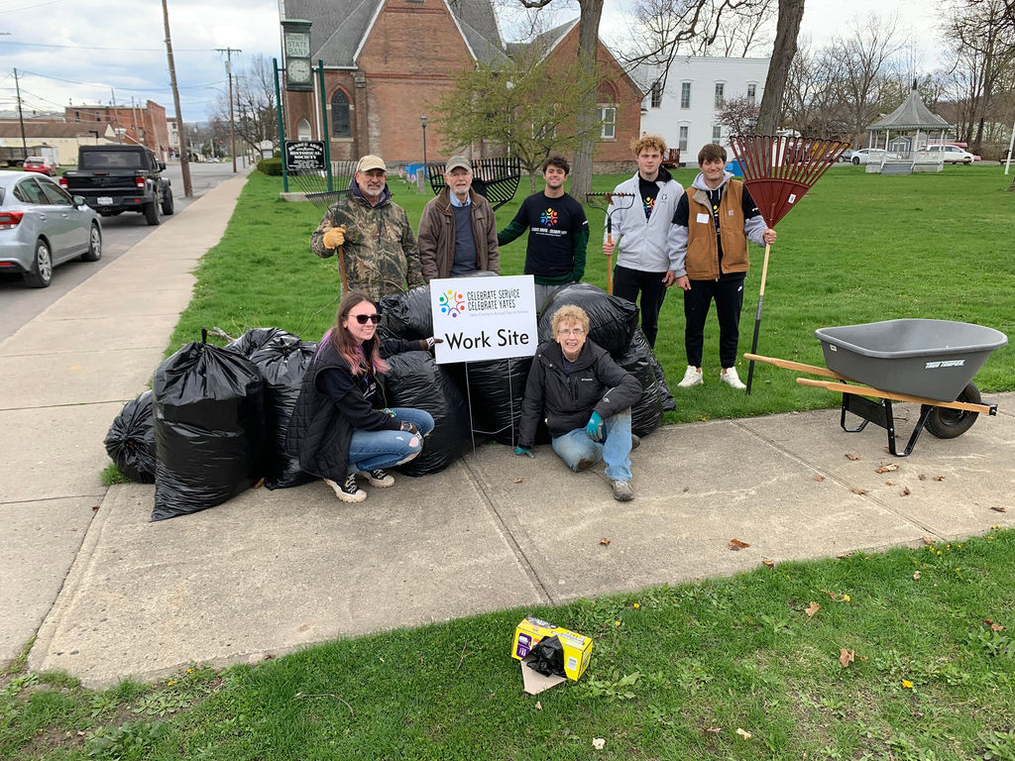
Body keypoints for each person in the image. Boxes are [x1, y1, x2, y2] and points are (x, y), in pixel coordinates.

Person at [286, 291, 440, 503]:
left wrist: (424, 344)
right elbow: (362, 416)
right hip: (329, 434)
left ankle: (367, 461)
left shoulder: (362, 342)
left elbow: (387, 347)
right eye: (361, 318)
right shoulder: (333, 365)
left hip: (352, 421)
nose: (370, 323)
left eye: (374, 318)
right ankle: (340, 471)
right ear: (345, 321)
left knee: (425, 421)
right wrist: (400, 426)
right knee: (411, 444)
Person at [669, 143, 777, 390]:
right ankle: (694, 369)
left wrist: (763, 236)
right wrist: (680, 271)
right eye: (708, 162)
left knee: (730, 323)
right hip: (697, 273)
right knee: (694, 324)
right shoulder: (688, 196)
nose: (713, 167)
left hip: (732, 271)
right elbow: (677, 236)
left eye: (717, 162)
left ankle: (728, 369)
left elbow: (754, 224)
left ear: (723, 164)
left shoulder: (740, 191)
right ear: (701, 166)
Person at [515, 304, 642, 502]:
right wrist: (525, 441)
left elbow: (632, 386)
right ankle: (619, 443)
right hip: (565, 430)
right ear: (556, 336)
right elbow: (532, 399)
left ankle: (619, 477)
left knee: (620, 403)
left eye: (577, 331)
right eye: (565, 331)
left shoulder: (597, 356)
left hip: (595, 421)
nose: (571, 337)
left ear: (585, 335)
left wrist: (600, 412)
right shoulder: (543, 356)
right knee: (580, 459)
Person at [603, 135, 684, 348]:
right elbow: (613, 221)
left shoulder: (675, 190)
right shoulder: (623, 188)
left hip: (658, 267)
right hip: (627, 265)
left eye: (654, 156)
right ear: (637, 158)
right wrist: (609, 241)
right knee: (621, 317)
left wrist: (676, 267)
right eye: (645, 155)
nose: (649, 160)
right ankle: (620, 358)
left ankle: (646, 361)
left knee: (650, 320)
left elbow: (680, 230)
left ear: (661, 158)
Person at [310, 155, 425, 301]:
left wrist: (416, 292)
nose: (375, 180)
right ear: (357, 177)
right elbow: (315, 244)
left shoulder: (398, 212)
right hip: (358, 300)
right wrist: (326, 241)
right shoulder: (340, 211)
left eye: (379, 175)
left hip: (396, 299)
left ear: (385, 178)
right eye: (369, 174)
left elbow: (411, 252)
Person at [498, 154, 589, 310]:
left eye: (559, 172)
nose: (555, 175)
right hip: (535, 278)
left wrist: (576, 275)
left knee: (560, 324)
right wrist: (488, 241)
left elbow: (581, 244)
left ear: (565, 177)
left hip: (563, 279)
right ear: (544, 174)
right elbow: (513, 230)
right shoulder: (531, 203)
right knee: (536, 322)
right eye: (551, 171)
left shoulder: (574, 207)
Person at [417, 156, 500, 281]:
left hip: (479, 280)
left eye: (464, 173)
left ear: (471, 176)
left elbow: (492, 246)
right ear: (446, 178)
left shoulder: (483, 205)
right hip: (447, 283)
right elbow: (425, 250)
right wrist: (434, 283)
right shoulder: (434, 208)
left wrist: (493, 277)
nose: (460, 179)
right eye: (455, 174)